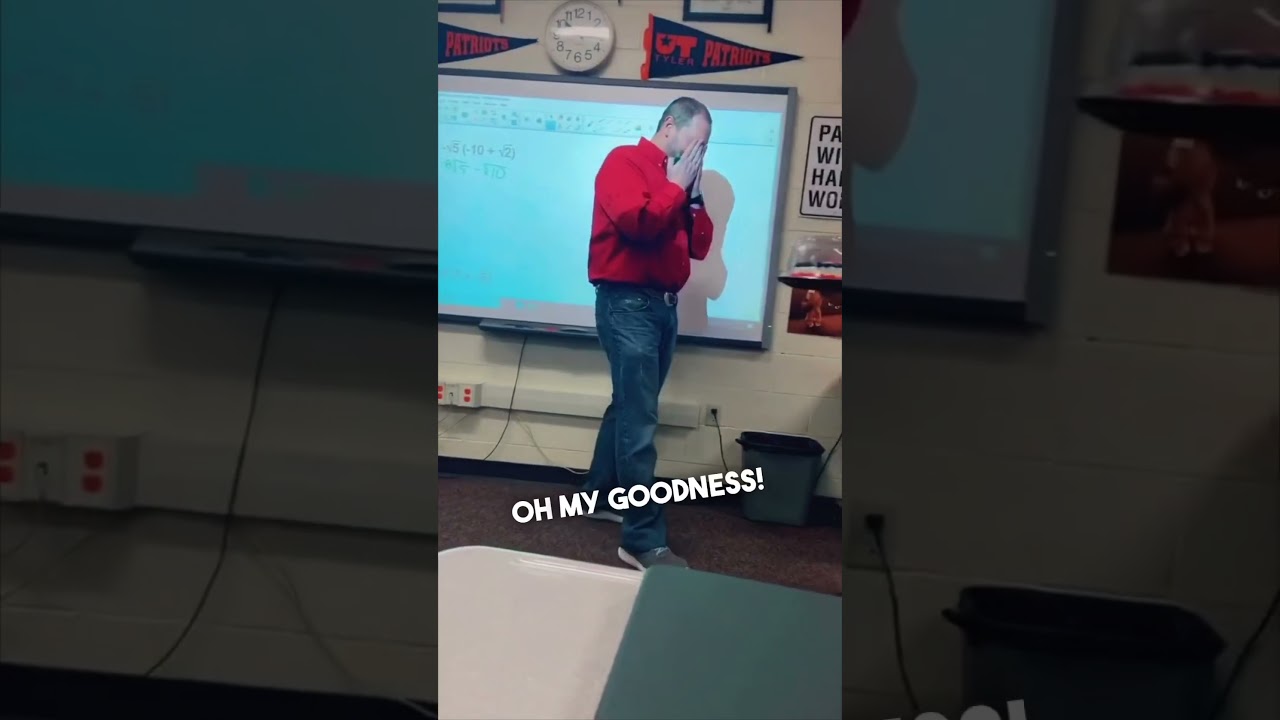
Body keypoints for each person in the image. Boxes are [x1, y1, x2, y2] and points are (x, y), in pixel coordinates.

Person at [581, 97, 714, 570]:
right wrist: (675, 187)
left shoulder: (680, 182)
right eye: (696, 143)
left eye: (705, 148)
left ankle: (600, 495)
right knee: (639, 421)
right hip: (627, 305)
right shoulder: (624, 162)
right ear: (670, 126)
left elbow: (699, 246)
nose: (699, 154)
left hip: (662, 308)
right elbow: (637, 224)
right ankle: (640, 540)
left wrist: (691, 195)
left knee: (628, 408)